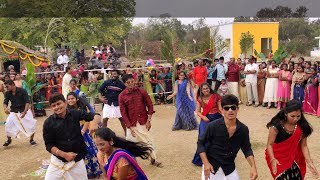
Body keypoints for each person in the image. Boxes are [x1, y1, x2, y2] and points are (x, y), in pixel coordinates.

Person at [197, 94, 258, 180]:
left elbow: (247, 149)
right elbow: (200, 143)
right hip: (212, 167)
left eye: (233, 108)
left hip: (229, 168)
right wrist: (206, 163)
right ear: (222, 110)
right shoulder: (213, 126)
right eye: (226, 108)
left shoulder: (243, 129)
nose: (230, 111)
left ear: (237, 109)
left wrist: (253, 167)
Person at [43, 93, 101, 180]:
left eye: (59, 104)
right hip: (58, 162)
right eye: (54, 105)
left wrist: (95, 123)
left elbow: (95, 115)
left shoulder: (75, 114)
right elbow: (49, 145)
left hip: (76, 161)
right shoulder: (48, 123)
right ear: (51, 108)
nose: (57, 107)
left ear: (65, 103)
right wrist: (64, 155)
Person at [265, 100, 318, 179]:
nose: (295, 119)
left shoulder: (302, 127)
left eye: (298, 116)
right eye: (292, 116)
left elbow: (304, 146)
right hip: (277, 158)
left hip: (294, 157)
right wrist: (272, 159)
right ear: (286, 113)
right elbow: (269, 144)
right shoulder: (276, 126)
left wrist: (310, 162)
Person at [119, 74, 163, 168]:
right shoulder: (122, 96)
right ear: (124, 83)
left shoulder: (142, 91)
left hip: (143, 121)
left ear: (134, 80)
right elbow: (123, 113)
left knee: (148, 141)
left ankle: (153, 159)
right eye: (128, 82)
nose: (131, 83)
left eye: (132, 81)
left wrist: (149, 120)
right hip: (131, 124)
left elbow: (150, 105)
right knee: (129, 144)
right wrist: (130, 127)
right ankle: (130, 162)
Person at [66, 92, 102, 179]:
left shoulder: (82, 108)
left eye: (72, 98)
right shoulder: (67, 110)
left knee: (89, 150)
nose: (70, 100)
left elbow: (87, 120)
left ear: (77, 99)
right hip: (75, 132)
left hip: (84, 131)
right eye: (69, 99)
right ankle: (84, 173)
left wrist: (82, 131)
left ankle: (95, 171)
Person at [192, 82, 222, 166]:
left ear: (210, 88)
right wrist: (204, 117)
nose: (206, 90)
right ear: (201, 91)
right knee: (202, 136)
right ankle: (201, 159)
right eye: (204, 89)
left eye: (207, 88)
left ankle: (217, 157)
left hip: (217, 117)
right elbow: (197, 112)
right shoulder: (199, 99)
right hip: (205, 118)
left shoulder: (216, 97)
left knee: (217, 137)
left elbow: (220, 109)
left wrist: (226, 115)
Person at [3, 80, 37, 146]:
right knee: (7, 125)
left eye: (7, 86)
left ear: (12, 85)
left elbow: (27, 102)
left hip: (24, 110)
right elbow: (5, 102)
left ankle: (31, 140)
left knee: (31, 126)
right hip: (14, 112)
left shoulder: (22, 91)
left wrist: (24, 112)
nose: (6, 88)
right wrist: (5, 108)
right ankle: (9, 140)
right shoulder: (7, 93)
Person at [98, 70, 126, 134]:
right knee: (105, 119)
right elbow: (100, 89)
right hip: (108, 103)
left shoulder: (122, 85)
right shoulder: (107, 82)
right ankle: (103, 135)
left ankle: (127, 135)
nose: (113, 75)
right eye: (112, 74)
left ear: (118, 75)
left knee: (122, 120)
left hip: (118, 104)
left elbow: (125, 94)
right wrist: (100, 98)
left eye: (115, 74)